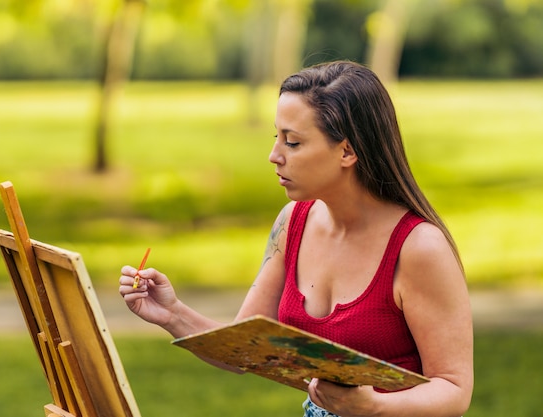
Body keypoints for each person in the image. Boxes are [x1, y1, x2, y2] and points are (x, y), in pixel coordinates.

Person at [119, 60, 473, 417]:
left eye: (293, 142)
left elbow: (454, 390)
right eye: (277, 137)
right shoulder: (294, 223)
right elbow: (244, 350)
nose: (274, 156)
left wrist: (374, 406)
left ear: (347, 151)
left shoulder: (418, 248)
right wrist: (171, 313)